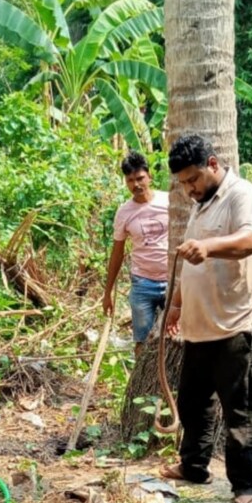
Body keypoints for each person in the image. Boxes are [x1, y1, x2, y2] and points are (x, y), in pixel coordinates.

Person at [160, 134, 252, 503]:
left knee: (239, 412)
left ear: (213, 164)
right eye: (183, 183)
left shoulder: (243, 196)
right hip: (198, 328)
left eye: (192, 179)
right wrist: (175, 306)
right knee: (192, 406)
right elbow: (193, 263)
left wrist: (210, 247)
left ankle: (245, 488)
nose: (188, 188)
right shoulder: (200, 203)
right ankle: (194, 468)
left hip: (233, 329)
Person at [103, 151, 169, 357]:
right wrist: (107, 292)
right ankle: (142, 387)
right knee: (142, 340)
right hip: (142, 283)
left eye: (140, 178)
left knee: (176, 338)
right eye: (130, 180)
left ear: (149, 176)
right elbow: (117, 252)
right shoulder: (124, 212)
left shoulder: (169, 201)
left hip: (174, 281)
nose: (136, 184)